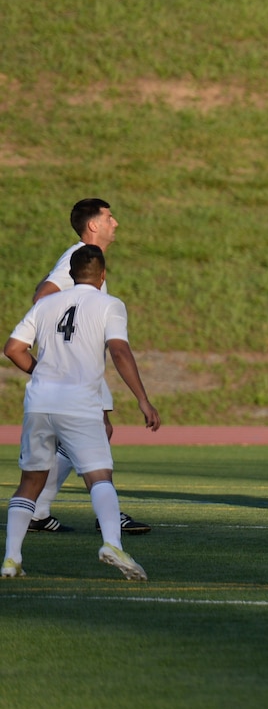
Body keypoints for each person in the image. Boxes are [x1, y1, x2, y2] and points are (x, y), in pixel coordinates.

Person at [3, 246, 160, 580]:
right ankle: (111, 544)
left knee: (30, 482)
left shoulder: (45, 304)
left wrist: (43, 372)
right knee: (99, 476)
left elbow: (13, 349)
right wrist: (142, 399)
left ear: (70, 275)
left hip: (40, 403)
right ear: (102, 275)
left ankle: (11, 558)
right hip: (80, 404)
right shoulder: (109, 304)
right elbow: (119, 350)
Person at [25, 197, 150, 537]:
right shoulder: (73, 258)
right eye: (109, 217)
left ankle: (40, 509)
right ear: (93, 225)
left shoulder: (86, 260)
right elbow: (42, 297)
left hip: (79, 370)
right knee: (93, 431)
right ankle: (101, 514)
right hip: (75, 369)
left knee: (102, 428)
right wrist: (64, 348)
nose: (116, 223)